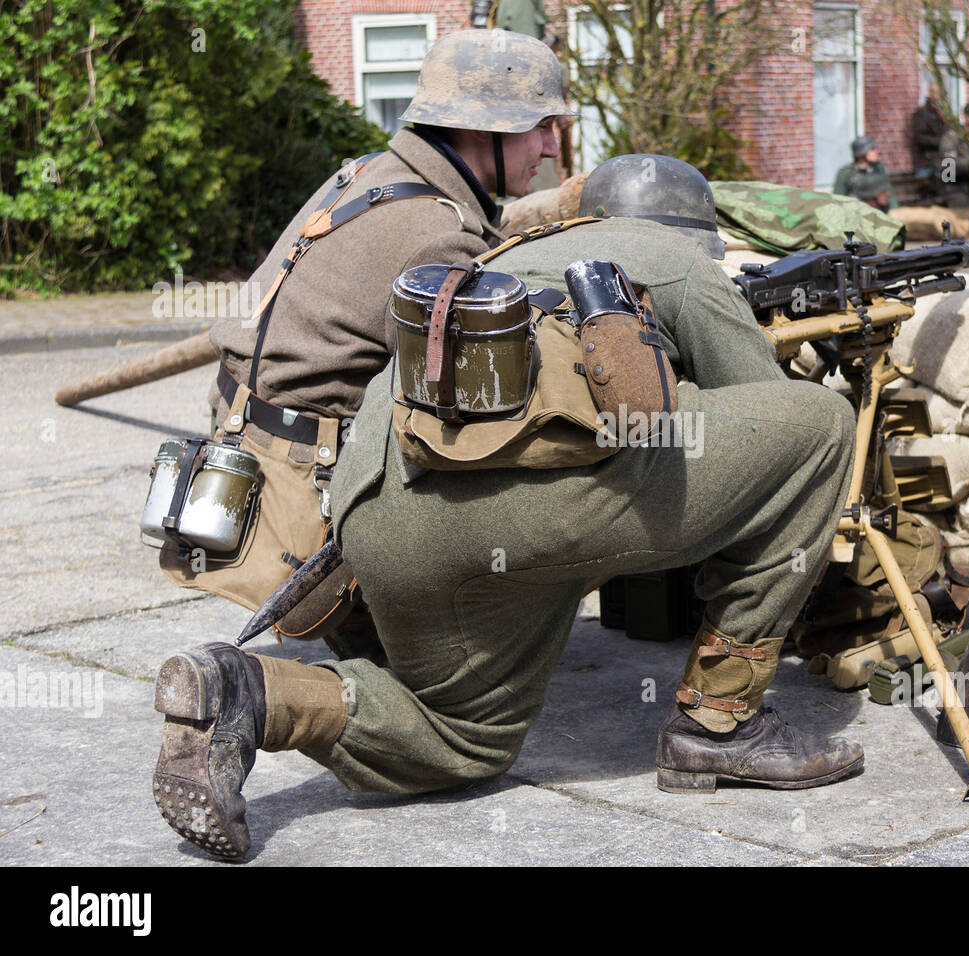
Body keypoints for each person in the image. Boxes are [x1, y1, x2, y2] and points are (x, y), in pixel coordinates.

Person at [150, 154, 865, 861]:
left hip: (374, 518)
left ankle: (243, 691)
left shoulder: (509, 251)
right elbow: (772, 426)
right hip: (514, 513)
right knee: (821, 426)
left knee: (463, 738)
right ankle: (718, 725)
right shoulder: (675, 257)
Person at [156, 30, 567, 659]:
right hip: (307, 493)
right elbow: (476, 411)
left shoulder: (365, 175)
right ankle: (409, 636)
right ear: (484, 129)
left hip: (237, 435)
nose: (551, 145)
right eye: (540, 125)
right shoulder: (439, 236)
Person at [833, 135, 896, 213]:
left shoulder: (879, 169)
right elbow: (837, 202)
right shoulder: (846, 173)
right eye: (872, 149)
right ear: (862, 152)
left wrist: (887, 204)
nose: (877, 152)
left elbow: (891, 195)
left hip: (880, 216)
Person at [911, 91, 946, 174]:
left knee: (948, 183)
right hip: (927, 162)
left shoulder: (943, 113)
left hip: (944, 160)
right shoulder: (922, 113)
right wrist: (941, 141)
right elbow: (919, 137)